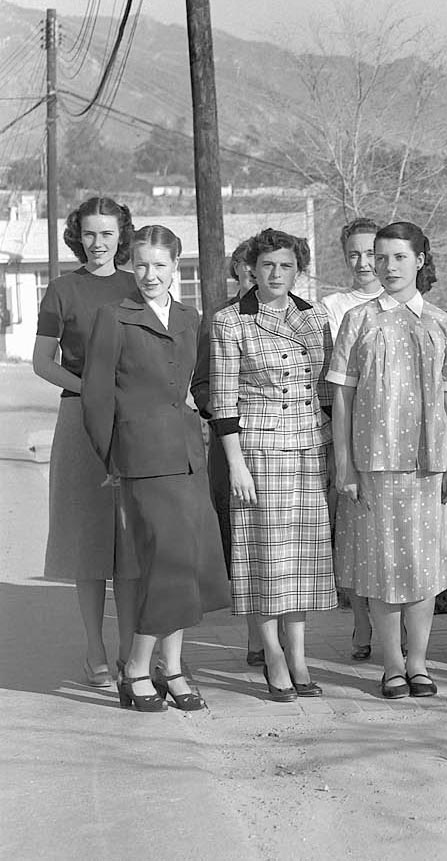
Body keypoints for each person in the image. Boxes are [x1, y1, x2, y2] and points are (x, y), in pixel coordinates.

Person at [82, 225, 230, 711]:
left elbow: (204, 382)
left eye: (159, 265)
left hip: (188, 455)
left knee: (188, 562)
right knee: (165, 562)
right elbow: (97, 397)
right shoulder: (114, 317)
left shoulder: (192, 317)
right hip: (140, 459)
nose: (149, 275)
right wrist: (112, 458)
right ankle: (137, 669)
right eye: (141, 265)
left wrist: (228, 423)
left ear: (176, 266)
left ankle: (175, 667)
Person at [328, 222, 447, 699]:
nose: (387, 267)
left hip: (429, 464)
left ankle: (420, 662)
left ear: (420, 261)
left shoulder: (443, 323)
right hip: (375, 463)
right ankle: (390, 665)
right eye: (380, 257)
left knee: (424, 566)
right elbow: (342, 399)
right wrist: (344, 465)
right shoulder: (358, 320)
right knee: (381, 567)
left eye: (399, 257)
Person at [210, 228, 336, 701]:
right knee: (264, 557)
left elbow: (326, 392)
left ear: (297, 270)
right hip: (258, 454)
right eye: (267, 266)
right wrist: (235, 464)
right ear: (252, 269)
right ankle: (272, 654)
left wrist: (333, 451)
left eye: (285, 266)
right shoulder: (231, 321)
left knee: (300, 560)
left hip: (308, 450)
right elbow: (222, 401)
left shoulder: (314, 316)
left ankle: (299, 654)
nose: (276, 274)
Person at [33, 197, 140, 687]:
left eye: (108, 234)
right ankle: (95, 648)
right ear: (79, 236)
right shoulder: (61, 289)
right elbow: (43, 362)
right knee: (89, 541)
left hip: (134, 420)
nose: (99, 244)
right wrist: (93, 390)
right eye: (91, 234)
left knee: (133, 539)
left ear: (123, 235)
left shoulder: (137, 283)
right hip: (80, 421)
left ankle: (132, 650)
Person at [192, 238, 268, 668]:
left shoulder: (295, 314)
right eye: (246, 270)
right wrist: (223, 413)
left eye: (260, 269)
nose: (253, 277)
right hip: (230, 442)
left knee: (275, 538)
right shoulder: (218, 318)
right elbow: (201, 382)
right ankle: (255, 636)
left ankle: (271, 639)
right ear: (237, 272)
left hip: (281, 440)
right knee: (239, 537)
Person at [319, 216, 384, 661]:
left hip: (399, 434)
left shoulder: (405, 301)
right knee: (357, 533)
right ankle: (361, 620)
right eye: (354, 255)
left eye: (371, 253)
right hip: (351, 427)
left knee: (394, 534)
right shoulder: (332, 306)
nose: (363, 263)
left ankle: (392, 626)